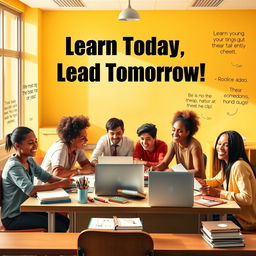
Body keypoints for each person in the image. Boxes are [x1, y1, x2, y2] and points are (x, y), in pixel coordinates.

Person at [1, 126, 73, 232]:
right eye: (30, 143)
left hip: (26, 210)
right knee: (59, 225)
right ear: (18, 145)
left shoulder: (29, 160)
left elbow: (47, 177)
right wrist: (61, 184)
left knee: (64, 221)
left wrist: (68, 182)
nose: (35, 145)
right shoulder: (14, 166)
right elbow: (30, 190)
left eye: (36, 141)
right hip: (13, 216)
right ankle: (51, 248)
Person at [197, 131, 256, 231]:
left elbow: (247, 198)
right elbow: (217, 180)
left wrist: (218, 193)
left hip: (245, 220)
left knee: (203, 223)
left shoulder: (239, 166)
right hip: (235, 214)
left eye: (226, 145)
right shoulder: (228, 164)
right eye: (219, 144)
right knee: (202, 219)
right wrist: (202, 182)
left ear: (235, 147)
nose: (220, 147)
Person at [153, 110, 205, 178]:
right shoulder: (174, 143)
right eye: (173, 130)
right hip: (182, 179)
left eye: (180, 131)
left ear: (187, 132)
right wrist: (155, 168)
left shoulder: (194, 146)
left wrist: (175, 172)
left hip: (197, 182)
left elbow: (198, 172)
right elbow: (165, 163)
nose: (175, 134)